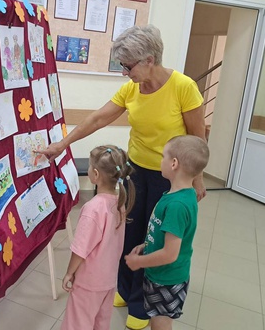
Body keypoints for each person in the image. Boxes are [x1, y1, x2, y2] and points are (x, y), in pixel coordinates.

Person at [38, 25, 206, 329]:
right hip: (134, 171)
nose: (125, 73)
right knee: (128, 232)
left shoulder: (183, 87)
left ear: (149, 60)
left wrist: (197, 178)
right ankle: (125, 289)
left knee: (152, 239)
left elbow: (197, 138)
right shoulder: (132, 89)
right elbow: (98, 118)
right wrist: (63, 144)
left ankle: (141, 306)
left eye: (128, 66)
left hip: (168, 176)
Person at [125, 135, 209, 330]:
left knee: (160, 324)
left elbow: (170, 254)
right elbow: (166, 235)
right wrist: (147, 245)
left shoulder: (176, 206)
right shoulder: (181, 194)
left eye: (163, 156)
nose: (160, 161)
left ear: (174, 164)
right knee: (157, 319)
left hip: (166, 279)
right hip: (160, 274)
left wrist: (139, 262)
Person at [60, 145, 135, 330]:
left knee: (78, 324)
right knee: (101, 323)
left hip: (88, 282)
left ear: (95, 174)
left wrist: (69, 272)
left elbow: (80, 249)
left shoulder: (93, 209)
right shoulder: (119, 204)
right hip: (108, 279)